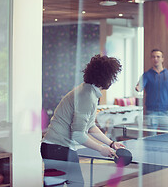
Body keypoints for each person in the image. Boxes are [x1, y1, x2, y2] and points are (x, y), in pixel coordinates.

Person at [41, 55, 124, 187]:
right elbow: (78, 134)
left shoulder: (88, 91)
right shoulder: (87, 96)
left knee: (74, 183)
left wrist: (111, 143)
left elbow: (90, 126)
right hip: (57, 149)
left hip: (57, 148)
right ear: (107, 77)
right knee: (75, 184)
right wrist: (100, 149)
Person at [135, 49, 168, 135]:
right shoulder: (146, 75)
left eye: (158, 57)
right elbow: (141, 85)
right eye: (153, 57)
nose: (156, 59)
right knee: (151, 139)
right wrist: (139, 87)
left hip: (165, 113)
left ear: (162, 59)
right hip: (151, 113)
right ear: (151, 59)